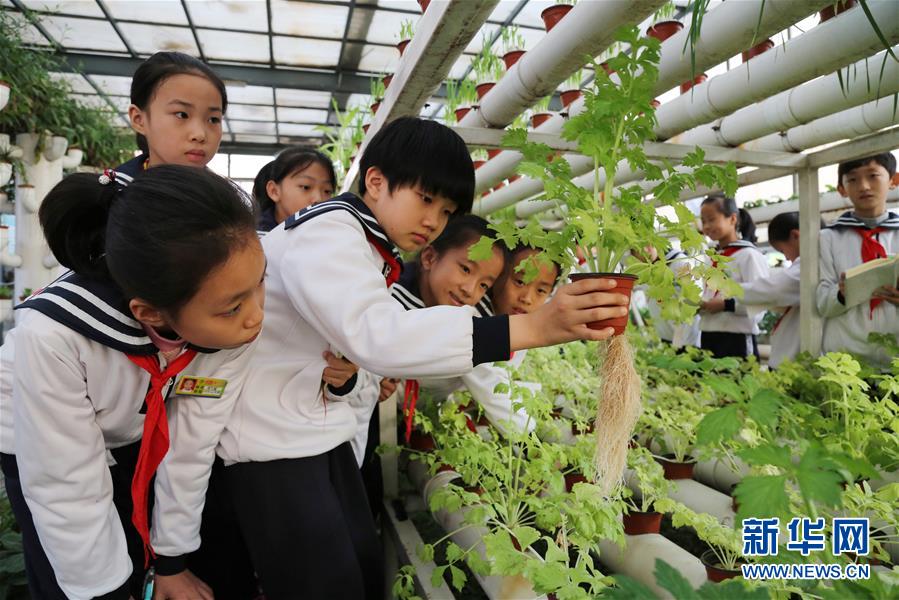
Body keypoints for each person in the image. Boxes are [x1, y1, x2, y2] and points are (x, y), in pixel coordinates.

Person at [216, 116, 630, 599]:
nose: (434, 219)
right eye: (425, 198)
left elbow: (351, 345)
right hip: (271, 446)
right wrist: (534, 327)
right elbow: (379, 336)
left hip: (310, 435)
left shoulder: (364, 243)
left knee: (359, 568)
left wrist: (352, 378)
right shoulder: (330, 233)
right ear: (375, 181)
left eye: (448, 208)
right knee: (325, 585)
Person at [0, 166, 264, 600]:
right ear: (150, 313)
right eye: (234, 306)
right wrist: (102, 590)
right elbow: (66, 484)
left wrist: (171, 562)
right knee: (72, 574)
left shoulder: (228, 320)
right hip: (38, 437)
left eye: (261, 283)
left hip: (131, 425)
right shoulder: (52, 338)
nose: (256, 315)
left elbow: (190, 445)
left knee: (142, 553)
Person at [817, 152, 899, 367]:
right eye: (852, 179)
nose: (863, 186)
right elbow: (821, 302)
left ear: (893, 180)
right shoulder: (828, 237)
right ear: (842, 189)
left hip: (895, 359)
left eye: (873, 176)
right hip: (845, 360)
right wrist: (842, 293)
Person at [699, 193, 769, 358]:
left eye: (711, 219)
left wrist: (727, 305)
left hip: (736, 337)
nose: (707, 226)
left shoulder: (748, 255)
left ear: (732, 219)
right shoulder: (711, 257)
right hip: (708, 334)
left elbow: (761, 300)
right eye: (703, 221)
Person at [632, 245, 701, 349]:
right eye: (636, 252)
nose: (645, 251)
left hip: (686, 338)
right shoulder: (646, 269)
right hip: (664, 334)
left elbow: (695, 299)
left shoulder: (681, 263)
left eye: (648, 245)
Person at [253, 148, 337, 232]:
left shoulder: (332, 231)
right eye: (306, 187)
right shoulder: (255, 240)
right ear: (274, 191)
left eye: (327, 191)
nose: (319, 199)